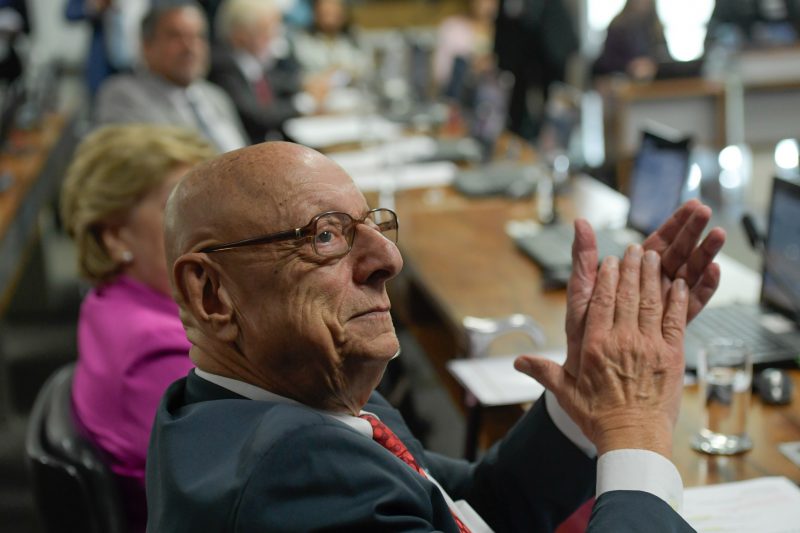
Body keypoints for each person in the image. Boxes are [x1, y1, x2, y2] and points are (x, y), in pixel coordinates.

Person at [146, 139, 725, 531]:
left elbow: (473, 508)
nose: (388, 258)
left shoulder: (291, 402)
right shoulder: (295, 474)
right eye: (325, 236)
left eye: (372, 226)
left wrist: (587, 400)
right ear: (211, 295)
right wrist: (638, 433)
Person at [60, 124, 216, 533]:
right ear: (114, 237)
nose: (211, 225)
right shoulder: (159, 352)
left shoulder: (108, 301)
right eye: (177, 207)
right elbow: (239, 489)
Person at [95, 1, 248, 153]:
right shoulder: (123, 96)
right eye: (176, 36)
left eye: (198, 36)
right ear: (146, 45)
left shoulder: (217, 97)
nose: (190, 47)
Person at [208, 0, 305, 143]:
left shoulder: (254, 61)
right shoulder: (222, 66)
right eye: (267, 30)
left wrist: (305, 86)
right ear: (241, 34)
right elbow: (260, 116)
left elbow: (279, 85)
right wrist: (304, 105)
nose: (274, 38)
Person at [494, 0, 578, 141]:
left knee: (554, 106)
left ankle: (552, 144)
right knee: (520, 105)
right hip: (526, 57)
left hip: (551, 52)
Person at [292, 0, 368, 86]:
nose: (330, 19)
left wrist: (344, 70)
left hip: (352, 91)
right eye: (326, 13)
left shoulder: (353, 38)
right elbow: (302, 73)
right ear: (316, 14)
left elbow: (364, 68)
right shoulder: (303, 40)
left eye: (334, 13)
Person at [592, 0, 669, 82]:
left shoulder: (657, 27)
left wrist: (652, 65)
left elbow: (665, 56)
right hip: (622, 81)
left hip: (653, 83)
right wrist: (631, 66)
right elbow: (607, 61)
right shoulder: (617, 25)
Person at [432, 0, 498, 91]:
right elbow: (440, 73)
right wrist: (470, 68)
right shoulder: (453, 28)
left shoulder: (508, 34)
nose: (488, 4)